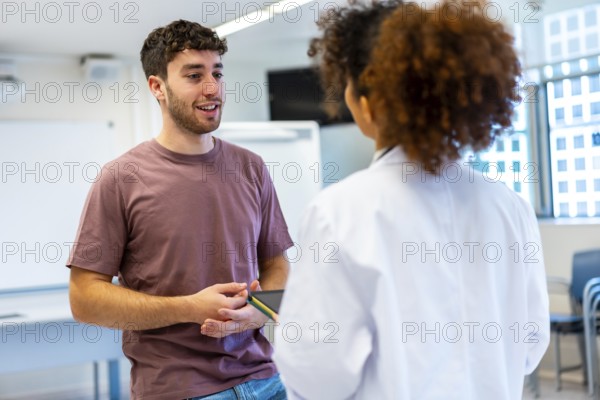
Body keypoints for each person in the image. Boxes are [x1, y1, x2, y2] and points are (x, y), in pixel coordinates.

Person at [272, 1, 550, 399]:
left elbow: (317, 376)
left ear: (369, 100)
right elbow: (530, 345)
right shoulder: (509, 207)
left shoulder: (340, 213)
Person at [67, 19, 291, 400]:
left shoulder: (251, 167)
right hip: (179, 389)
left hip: (265, 381)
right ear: (158, 87)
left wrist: (262, 310)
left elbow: (276, 263)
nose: (212, 88)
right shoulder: (121, 179)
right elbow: (85, 298)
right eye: (193, 75)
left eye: (217, 73)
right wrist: (188, 308)